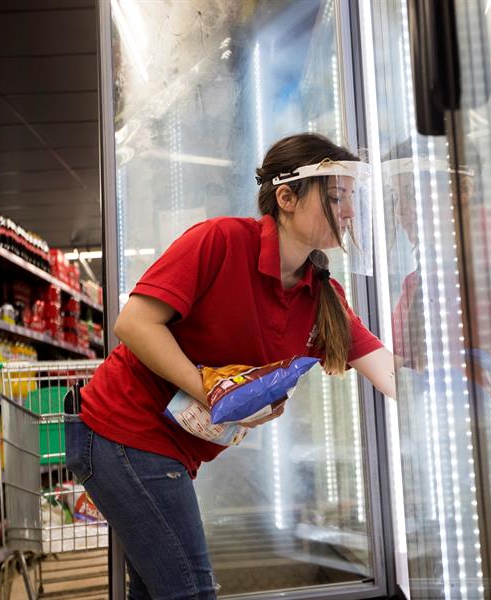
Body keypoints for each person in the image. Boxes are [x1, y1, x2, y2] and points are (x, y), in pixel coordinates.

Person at [64, 132, 396, 600]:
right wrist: (212, 389)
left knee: (159, 593)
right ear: (286, 198)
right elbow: (135, 324)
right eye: (336, 197)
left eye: (351, 199)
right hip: (122, 430)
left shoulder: (322, 298)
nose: (349, 213)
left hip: (169, 447)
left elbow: (388, 371)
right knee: (191, 592)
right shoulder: (221, 241)